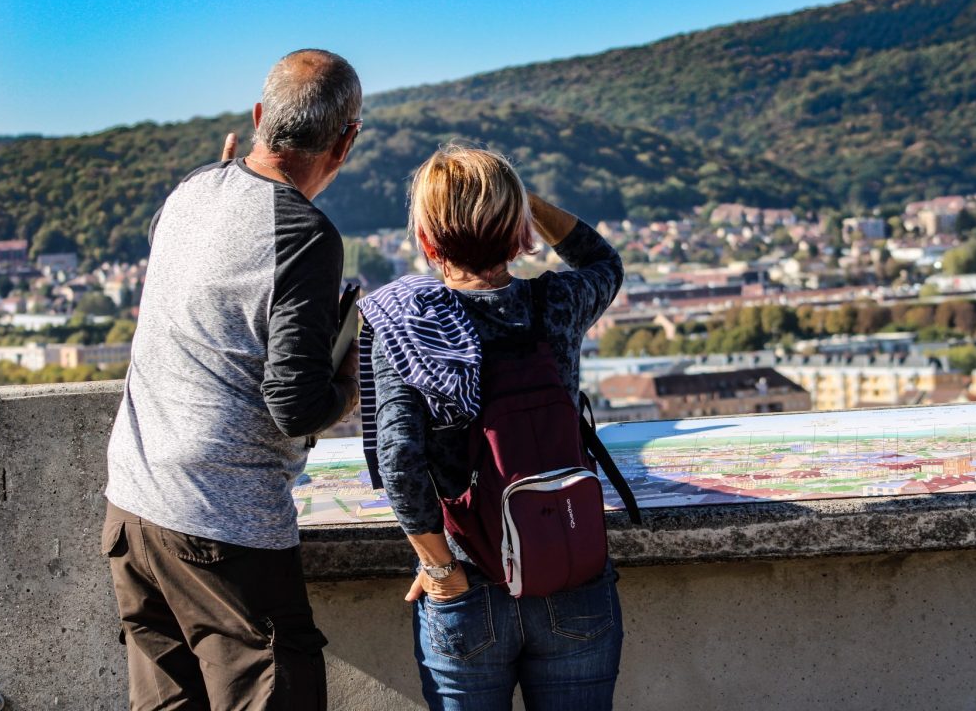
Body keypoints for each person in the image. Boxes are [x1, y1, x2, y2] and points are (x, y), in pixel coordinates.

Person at [101, 49, 363, 710]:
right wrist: (350, 379)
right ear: (347, 141)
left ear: (258, 117)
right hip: (221, 523)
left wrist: (221, 173)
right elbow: (295, 405)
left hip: (134, 504)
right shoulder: (303, 233)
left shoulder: (191, 190)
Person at [359, 145, 626, 710]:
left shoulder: (408, 327)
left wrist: (439, 567)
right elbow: (603, 262)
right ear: (519, 234)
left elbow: (400, 464)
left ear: (427, 242)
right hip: (569, 560)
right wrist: (521, 202)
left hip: (469, 577)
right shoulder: (558, 304)